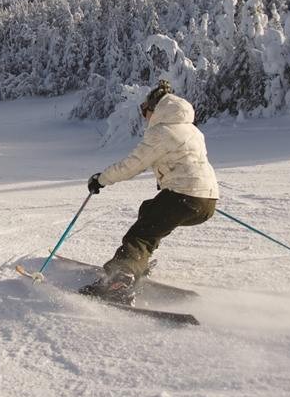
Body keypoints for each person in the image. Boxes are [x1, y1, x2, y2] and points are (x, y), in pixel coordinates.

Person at [81, 80, 219, 304]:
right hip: (206, 199)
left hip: (184, 195)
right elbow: (186, 162)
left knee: (140, 235)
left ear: (155, 109)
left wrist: (101, 179)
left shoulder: (162, 131)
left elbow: (133, 164)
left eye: (144, 110)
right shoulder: (192, 130)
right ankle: (138, 262)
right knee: (150, 212)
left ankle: (121, 279)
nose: (144, 116)